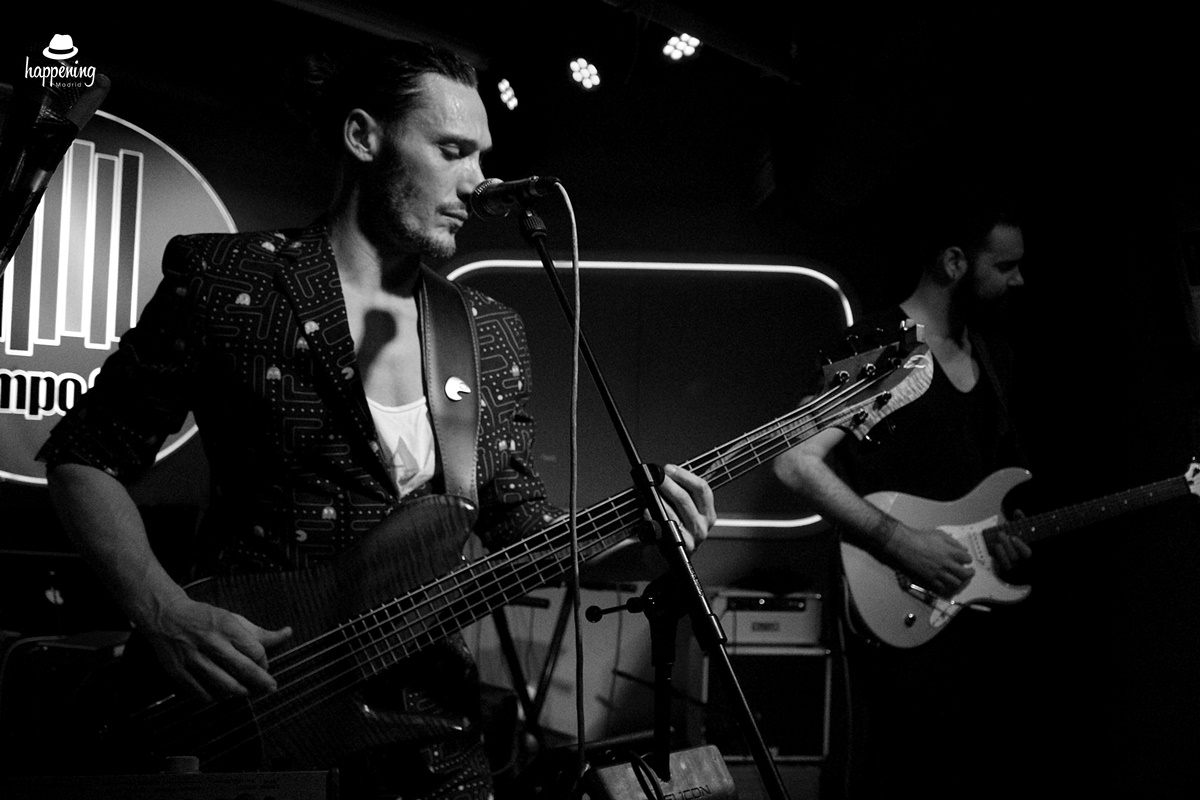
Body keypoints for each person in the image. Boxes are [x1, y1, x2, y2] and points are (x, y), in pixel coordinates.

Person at [37, 40, 715, 800]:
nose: (478, 181)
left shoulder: (487, 330)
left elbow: (517, 522)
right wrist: (162, 610)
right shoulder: (231, 280)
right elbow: (84, 457)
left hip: (430, 728)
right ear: (364, 137)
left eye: (482, 156)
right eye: (452, 151)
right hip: (254, 703)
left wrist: (636, 539)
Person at [772, 206, 1034, 798]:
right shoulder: (881, 346)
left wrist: (1004, 536)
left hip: (970, 609)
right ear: (954, 262)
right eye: (1005, 266)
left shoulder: (994, 355)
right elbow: (795, 462)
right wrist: (901, 541)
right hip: (892, 599)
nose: (1019, 280)